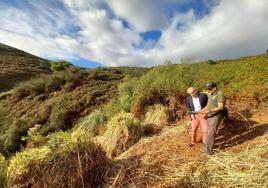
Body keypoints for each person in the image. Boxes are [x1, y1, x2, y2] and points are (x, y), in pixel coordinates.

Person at [198, 82, 226, 155]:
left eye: (210, 89)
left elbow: (221, 107)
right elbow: (208, 105)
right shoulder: (211, 94)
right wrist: (202, 110)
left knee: (211, 132)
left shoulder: (220, 94)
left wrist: (209, 111)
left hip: (216, 115)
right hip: (210, 114)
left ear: (215, 88)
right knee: (208, 131)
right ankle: (208, 147)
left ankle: (209, 152)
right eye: (207, 89)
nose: (208, 90)